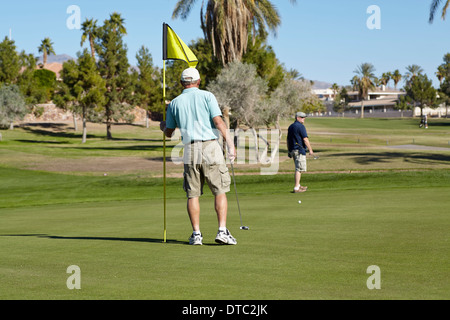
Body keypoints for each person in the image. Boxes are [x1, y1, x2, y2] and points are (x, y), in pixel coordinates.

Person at [160, 67, 237, 245]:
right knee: (219, 190)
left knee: (192, 194)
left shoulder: (174, 103)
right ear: (199, 81)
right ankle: (222, 231)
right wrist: (231, 145)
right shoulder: (207, 96)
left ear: (181, 83)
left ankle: (196, 235)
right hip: (210, 146)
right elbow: (218, 121)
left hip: (189, 149)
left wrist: (163, 126)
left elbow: (169, 132)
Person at [287, 112, 314, 193]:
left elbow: (288, 140)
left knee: (298, 167)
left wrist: (289, 150)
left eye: (304, 117)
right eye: (302, 117)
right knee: (299, 169)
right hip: (299, 150)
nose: (304, 119)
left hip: (293, 150)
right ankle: (296, 188)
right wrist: (310, 150)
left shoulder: (291, 126)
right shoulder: (301, 126)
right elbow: (305, 139)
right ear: (297, 117)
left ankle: (298, 185)